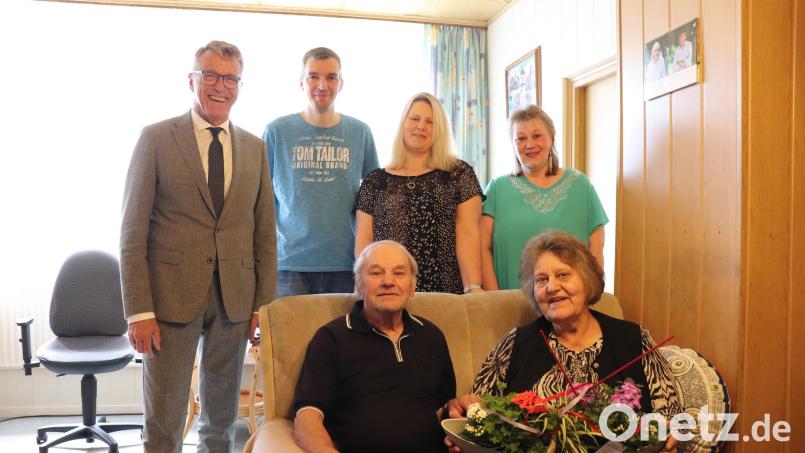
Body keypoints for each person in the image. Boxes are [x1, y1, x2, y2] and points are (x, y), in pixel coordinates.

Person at [121, 40, 276, 452]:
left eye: (230, 78)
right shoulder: (156, 139)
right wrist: (139, 310)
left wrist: (262, 305)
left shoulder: (255, 148)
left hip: (234, 301)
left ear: (239, 85)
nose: (220, 86)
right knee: (164, 420)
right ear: (191, 80)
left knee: (221, 422)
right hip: (168, 301)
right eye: (210, 76)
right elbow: (132, 232)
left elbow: (264, 233)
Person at [445, 231, 681, 453]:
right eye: (541, 279)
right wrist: (461, 418)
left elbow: (671, 417)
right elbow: (474, 415)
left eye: (562, 275)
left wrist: (668, 438)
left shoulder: (634, 339)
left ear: (588, 280)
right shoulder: (514, 344)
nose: (551, 287)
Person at [291, 240, 456, 453]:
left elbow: (444, 406)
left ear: (413, 286)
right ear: (359, 284)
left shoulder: (431, 336)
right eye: (376, 273)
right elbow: (307, 416)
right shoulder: (331, 338)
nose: (388, 282)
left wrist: (456, 410)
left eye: (399, 273)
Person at [264, 47, 379, 297]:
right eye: (313, 76)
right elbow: (261, 196)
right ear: (301, 82)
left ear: (341, 83)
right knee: (290, 326)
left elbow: (374, 199)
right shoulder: (276, 131)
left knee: (345, 325)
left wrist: (369, 258)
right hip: (290, 263)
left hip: (347, 264)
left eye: (331, 77)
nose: (322, 85)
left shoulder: (360, 132)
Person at [355, 92, 484, 295]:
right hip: (389, 291)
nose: (421, 126)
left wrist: (473, 287)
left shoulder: (459, 174)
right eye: (415, 119)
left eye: (430, 122)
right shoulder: (374, 182)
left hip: (447, 294)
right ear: (403, 123)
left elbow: (468, 234)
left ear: (439, 129)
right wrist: (363, 288)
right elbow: (364, 243)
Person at [481, 105, 608, 291]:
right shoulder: (496, 189)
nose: (529, 145)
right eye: (521, 138)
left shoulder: (580, 186)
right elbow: (481, 247)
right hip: (508, 303)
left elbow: (596, 246)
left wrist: (591, 294)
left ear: (551, 138)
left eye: (537, 136)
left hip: (569, 302)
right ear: (513, 144)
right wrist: (494, 298)